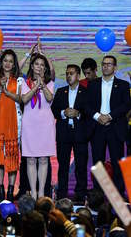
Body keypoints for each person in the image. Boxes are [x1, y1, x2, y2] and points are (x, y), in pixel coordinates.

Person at [86, 55, 131, 194]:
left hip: (115, 126)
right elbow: (86, 105)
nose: (106, 66)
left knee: (117, 162)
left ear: (115, 68)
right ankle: (97, 194)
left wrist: (110, 116)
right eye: (104, 64)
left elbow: (126, 105)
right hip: (97, 126)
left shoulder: (123, 85)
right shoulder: (93, 84)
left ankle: (118, 193)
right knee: (98, 163)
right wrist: (98, 116)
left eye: (109, 64)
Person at [51, 64, 88, 201]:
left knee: (81, 165)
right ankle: (62, 195)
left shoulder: (86, 92)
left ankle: (80, 194)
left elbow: (89, 111)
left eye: (71, 73)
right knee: (63, 166)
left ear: (78, 75)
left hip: (80, 134)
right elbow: (54, 110)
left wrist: (78, 114)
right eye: (66, 73)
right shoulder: (61, 91)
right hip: (63, 134)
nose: (68, 76)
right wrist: (63, 113)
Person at [0, 49, 23, 202]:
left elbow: (21, 99)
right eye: (5, 61)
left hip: (14, 121)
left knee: (12, 157)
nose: (8, 64)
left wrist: (7, 91)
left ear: (13, 63)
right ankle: (0, 189)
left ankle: (10, 190)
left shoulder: (19, 80)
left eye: (11, 61)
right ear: (1, 63)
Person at [21, 54, 55, 200]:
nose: (39, 67)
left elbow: (49, 98)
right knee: (30, 159)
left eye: (42, 65)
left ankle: (41, 192)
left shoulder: (50, 83)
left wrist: (42, 84)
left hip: (45, 124)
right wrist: (35, 86)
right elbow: (25, 99)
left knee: (43, 159)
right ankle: (33, 192)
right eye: (37, 64)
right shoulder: (24, 82)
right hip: (29, 123)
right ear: (32, 67)